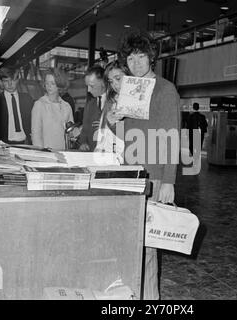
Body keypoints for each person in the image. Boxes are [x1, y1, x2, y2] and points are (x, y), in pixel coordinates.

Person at [117, 30, 180, 300]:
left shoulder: (165, 90)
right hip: (130, 174)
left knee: (147, 247)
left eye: (141, 56)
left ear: (151, 58)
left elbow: (172, 138)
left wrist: (168, 181)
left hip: (153, 177)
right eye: (131, 57)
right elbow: (123, 136)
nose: (136, 62)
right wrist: (116, 118)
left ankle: (150, 298)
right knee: (132, 243)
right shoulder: (130, 89)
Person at [31, 68, 74, 150]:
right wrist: (41, 154)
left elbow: (70, 133)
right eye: (47, 83)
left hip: (63, 152)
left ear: (59, 84)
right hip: (46, 153)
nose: (49, 86)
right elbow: (36, 135)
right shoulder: (39, 104)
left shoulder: (67, 106)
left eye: (52, 83)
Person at [94, 60, 128, 158]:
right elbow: (103, 132)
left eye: (118, 78)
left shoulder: (137, 104)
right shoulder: (110, 102)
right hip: (107, 158)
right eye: (111, 81)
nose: (115, 85)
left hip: (126, 159)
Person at [0, 67, 33, 144]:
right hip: (3, 144)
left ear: (17, 80)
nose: (10, 84)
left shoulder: (27, 99)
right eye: (6, 81)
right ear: (1, 82)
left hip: (26, 143)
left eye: (13, 80)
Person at [78, 65, 106, 151]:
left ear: (104, 83)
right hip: (92, 154)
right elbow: (85, 129)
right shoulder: (90, 104)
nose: (89, 90)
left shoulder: (115, 102)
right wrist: (83, 143)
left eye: (92, 86)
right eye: (87, 86)